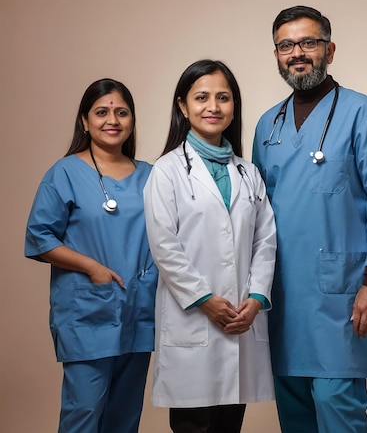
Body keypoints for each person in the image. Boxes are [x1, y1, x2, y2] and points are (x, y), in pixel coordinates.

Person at [252, 5, 367, 433]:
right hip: (281, 292)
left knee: (337, 404)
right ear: (277, 54)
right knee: (294, 409)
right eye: (286, 45)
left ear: (329, 49)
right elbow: (256, 214)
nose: (297, 52)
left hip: (344, 292)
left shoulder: (364, 113)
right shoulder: (268, 125)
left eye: (308, 42)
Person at [144, 59, 277, 433]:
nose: (213, 107)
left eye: (223, 97)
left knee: (228, 425)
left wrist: (256, 297)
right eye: (201, 97)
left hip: (241, 317)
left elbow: (265, 241)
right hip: (193, 319)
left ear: (233, 106)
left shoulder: (248, 173)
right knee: (193, 425)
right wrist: (204, 299)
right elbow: (164, 248)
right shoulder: (166, 171)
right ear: (183, 107)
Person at [24, 79, 157, 433]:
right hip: (88, 314)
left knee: (125, 418)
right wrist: (91, 266)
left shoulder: (151, 176)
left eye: (121, 112)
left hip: (140, 312)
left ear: (131, 121)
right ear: (85, 121)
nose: (112, 120)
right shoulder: (65, 172)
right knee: (84, 413)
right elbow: (39, 236)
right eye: (101, 112)